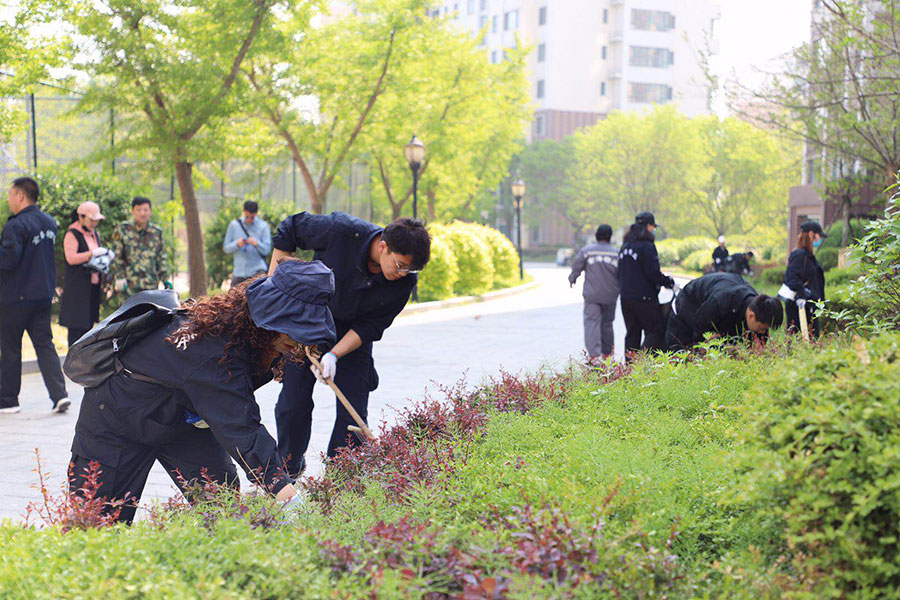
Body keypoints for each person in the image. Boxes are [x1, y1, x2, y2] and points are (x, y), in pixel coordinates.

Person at [68, 259, 336, 523]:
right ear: (269, 315)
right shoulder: (214, 349)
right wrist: (284, 491)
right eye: (293, 329)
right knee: (97, 524)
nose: (298, 340)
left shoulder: (253, 334)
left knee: (222, 506)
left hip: (181, 422)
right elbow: (240, 426)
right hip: (117, 420)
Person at [269, 213, 431, 474]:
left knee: (353, 412)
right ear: (383, 247)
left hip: (352, 339)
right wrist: (273, 288)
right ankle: (289, 468)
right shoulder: (341, 231)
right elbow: (289, 229)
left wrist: (333, 355)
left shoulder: (403, 283)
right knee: (293, 404)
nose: (402, 274)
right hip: (310, 324)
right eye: (400, 265)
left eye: (408, 269)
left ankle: (340, 477)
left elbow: (370, 326)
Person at [0, 177, 69, 414]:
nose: (9, 200)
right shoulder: (49, 222)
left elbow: (9, 260)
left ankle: (8, 400)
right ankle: (60, 395)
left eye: (10, 195)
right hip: (43, 295)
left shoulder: (16, 225)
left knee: (10, 347)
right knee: (44, 344)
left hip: (15, 297)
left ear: (20, 196)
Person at [664, 272, 783, 351]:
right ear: (751, 316)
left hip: (715, 313)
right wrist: (720, 345)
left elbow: (757, 344)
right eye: (762, 328)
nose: (763, 332)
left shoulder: (759, 309)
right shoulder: (720, 302)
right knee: (682, 354)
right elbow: (701, 331)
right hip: (687, 309)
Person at [618, 211, 675, 354]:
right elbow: (653, 273)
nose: (653, 230)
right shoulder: (647, 246)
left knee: (632, 333)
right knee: (655, 330)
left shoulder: (625, 246)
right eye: (653, 227)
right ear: (649, 226)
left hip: (626, 297)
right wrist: (668, 282)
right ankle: (644, 363)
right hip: (644, 298)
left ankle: (630, 365)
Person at [59, 202, 110, 347]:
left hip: (92, 287)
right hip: (77, 289)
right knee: (76, 328)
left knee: (88, 327)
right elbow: (71, 258)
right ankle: (73, 359)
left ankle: (85, 359)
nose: (94, 223)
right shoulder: (72, 234)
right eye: (91, 219)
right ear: (81, 217)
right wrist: (91, 254)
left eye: (96, 220)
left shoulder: (95, 234)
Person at [568, 224, 619, 361]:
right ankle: (607, 354)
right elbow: (623, 273)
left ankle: (594, 355)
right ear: (610, 237)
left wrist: (572, 278)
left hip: (592, 295)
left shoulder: (587, 251)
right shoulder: (616, 253)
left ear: (596, 235)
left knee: (591, 323)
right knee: (607, 324)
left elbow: (577, 266)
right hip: (610, 295)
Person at [110, 197, 171, 296]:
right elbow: (116, 255)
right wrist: (120, 277)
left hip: (150, 284)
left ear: (150, 212)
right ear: (132, 211)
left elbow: (161, 257)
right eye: (138, 210)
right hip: (129, 285)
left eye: (145, 210)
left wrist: (165, 279)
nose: (142, 213)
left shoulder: (156, 232)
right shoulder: (123, 229)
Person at [783, 220, 827, 338]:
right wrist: (802, 293)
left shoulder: (808, 255)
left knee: (812, 338)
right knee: (799, 338)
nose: (820, 239)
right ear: (811, 234)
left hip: (809, 305)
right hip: (800, 306)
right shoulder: (799, 255)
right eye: (819, 235)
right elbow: (791, 278)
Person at [224, 200, 272, 288]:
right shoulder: (234, 225)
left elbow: (267, 250)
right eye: (247, 216)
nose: (249, 219)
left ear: (256, 214)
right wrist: (236, 244)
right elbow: (226, 248)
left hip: (257, 271)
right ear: (243, 212)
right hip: (239, 272)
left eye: (252, 217)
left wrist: (257, 243)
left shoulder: (263, 226)